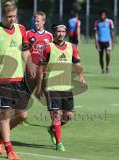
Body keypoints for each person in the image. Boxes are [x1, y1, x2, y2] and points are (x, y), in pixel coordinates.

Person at [0, 1, 36, 160]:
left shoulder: (21, 29)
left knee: (22, 115)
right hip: (2, 79)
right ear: (3, 16)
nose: (12, 19)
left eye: (14, 16)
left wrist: (30, 65)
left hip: (19, 79)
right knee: (5, 115)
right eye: (9, 17)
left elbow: (25, 51)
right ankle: (9, 150)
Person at [36, 23, 86, 151]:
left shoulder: (71, 47)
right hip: (52, 87)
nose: (61, 34)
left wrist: (81, 77)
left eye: (63, 31)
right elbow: (41, 69)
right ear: (54, 32)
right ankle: (59, 143)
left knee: (69, 115)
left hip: (67, 87)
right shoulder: (48, 48)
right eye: (59, 31)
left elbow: (77, 63)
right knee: (56, 115)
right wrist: (39, 87)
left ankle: (52, 129)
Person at [24, 11, 53, 124]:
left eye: (38, 21)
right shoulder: (27, 34)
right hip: (31, 70)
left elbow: (52, 53)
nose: (36, 23)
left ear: (43, 21)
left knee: (48, 96)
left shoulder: (49, 36)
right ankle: (22, 118)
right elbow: (24, 51)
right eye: (34, 21)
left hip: (44, 70)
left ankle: (53, 122)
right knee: (26, 94)